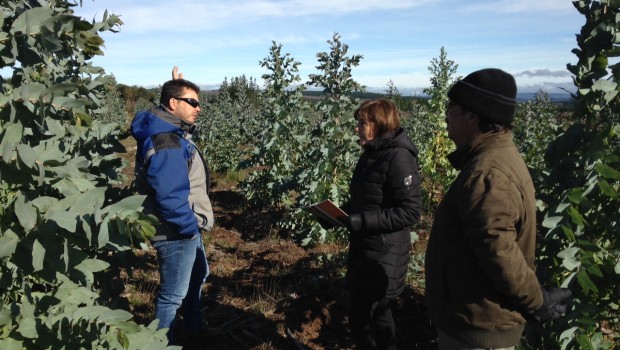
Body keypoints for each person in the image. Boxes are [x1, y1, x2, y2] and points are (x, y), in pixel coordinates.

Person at [424, 68, 572, 350]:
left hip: (478, 330)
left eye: (452, 108)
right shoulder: (495, 159)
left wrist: (537, 301)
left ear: (472, 116)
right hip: (475, 322)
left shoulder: (487, 172)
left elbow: (500, 254)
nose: (446, 115)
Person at [130, 69, 214, 344]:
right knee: (172, 295)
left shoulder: (166, 130)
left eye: (199, 102)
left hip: (182, 225)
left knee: (197, 275)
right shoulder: (166, 142)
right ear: (173, 104)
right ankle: (158, 343)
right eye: (192, 102)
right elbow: (168, 197)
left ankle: (193, 326)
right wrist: (190, 227)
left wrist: (178, 80)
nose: (198, 108)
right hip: (176, 230)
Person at [332, 98, 422, 349]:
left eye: (362, 123)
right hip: (367, 250)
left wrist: (361, 221)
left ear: (379, 125)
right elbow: (368, 201)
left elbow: (410, 212)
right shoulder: (372, 154)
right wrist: (338, 215)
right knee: (374, 315)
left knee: (366, 315)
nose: (356, 128)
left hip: (384, 254)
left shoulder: (399, 158)